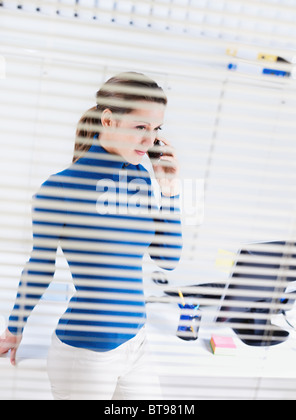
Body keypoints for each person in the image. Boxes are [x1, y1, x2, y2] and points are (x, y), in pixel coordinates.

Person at [0, 72, 182, 400]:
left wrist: (169, 192)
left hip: (137, 345)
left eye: (157, 129)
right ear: (109, 121)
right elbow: (40, 267)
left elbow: (167, 259)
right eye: (141, 127)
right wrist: (14, 329)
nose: (151, 141)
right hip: (86, 355)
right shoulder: (58, 189)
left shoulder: (140, 176)